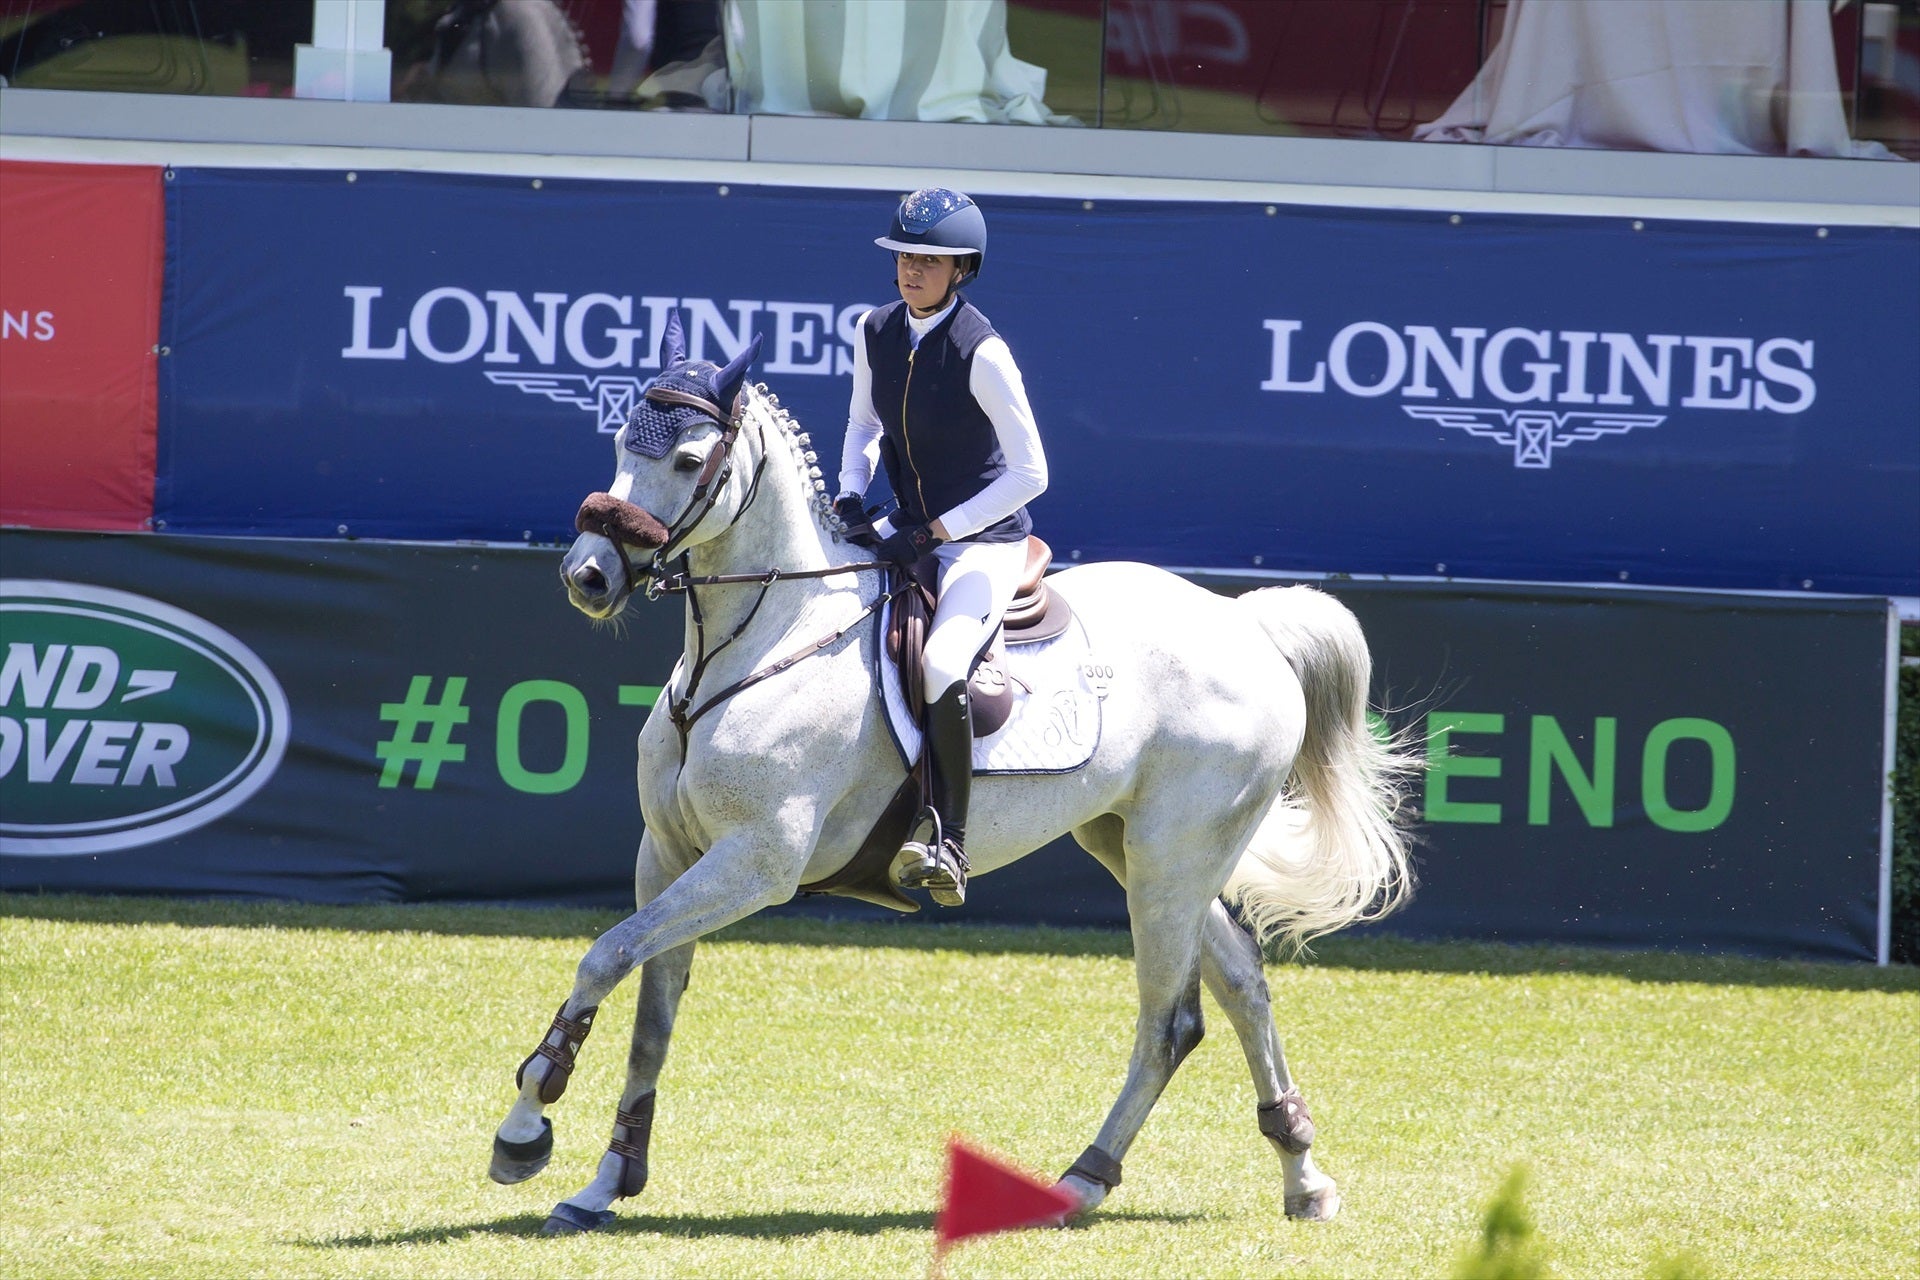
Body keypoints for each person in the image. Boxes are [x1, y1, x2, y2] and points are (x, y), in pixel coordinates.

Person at [835, 188, 1048, 908]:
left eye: (928, 259)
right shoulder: (876, 330)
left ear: (961, 269)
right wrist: (848, 492)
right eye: (903, 256)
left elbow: (1032, 474)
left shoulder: (982, 351)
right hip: (907, 525)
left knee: (941, 662)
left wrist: (936, 532)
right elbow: (863, 425)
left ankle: (950, 839)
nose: (911, 270)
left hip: (983, 544)